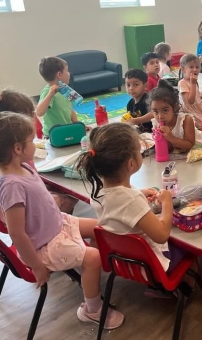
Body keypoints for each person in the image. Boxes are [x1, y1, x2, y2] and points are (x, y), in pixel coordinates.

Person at [0, 112, 124, 330]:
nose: (35, 142)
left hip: (56, 224)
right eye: (31, 140)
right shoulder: (10, 185)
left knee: (102, 226)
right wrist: (36, 265)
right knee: (93, 258)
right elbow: (16, 233)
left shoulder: (22, 166)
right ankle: (92, 310)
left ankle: (87, 265)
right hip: (44, 245)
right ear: (18, 149)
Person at [76, 123, 191, 297]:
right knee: (190, 244)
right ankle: (175, 288)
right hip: (149, 265)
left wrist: (139, 193)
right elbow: (161, 235)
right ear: (131, 164)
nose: (142, 153)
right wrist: (167, 202)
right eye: (139, 150)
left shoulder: (97, 192)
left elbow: (119, 202)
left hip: (121, 260)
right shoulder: (131, 199)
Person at [0, 90, 78, 220]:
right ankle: (58, 226)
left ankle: (60, 225)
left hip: (14, 198)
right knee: (70, 195)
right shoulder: (7, 149)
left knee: (61, 188)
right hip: (21, 207)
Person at [35, 57, 82, 137]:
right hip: (53, 134)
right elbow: (39, 112)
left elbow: (70, 109)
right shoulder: (48, 91)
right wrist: (50, 95)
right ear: (59, 75)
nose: (69, 74)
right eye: (67, 71)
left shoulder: (65, 89)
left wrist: (78, 126)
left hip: (67, 130)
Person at [150, 80, 196, 153]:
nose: (160, 116)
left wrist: (171, 138)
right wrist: (161, 138)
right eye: (156, 112)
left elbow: (190, 146)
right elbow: (169, 149)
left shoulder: (185, 120)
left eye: (165, 111)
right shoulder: (156, 124)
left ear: (174, 107)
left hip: (197, 152)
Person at [177, 54, 202, 129]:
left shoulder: (193, 81)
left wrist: (200, 95)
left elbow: (193, 95)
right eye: (191, 67)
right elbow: (190, 101)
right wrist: (193, 84)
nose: (195, 69)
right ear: (183, 69)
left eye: (197, 67)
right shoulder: (182, 83)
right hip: (191, 114)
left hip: (198, 109)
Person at [124, 69, 154, 133]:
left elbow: (154, 113)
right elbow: (129, 118)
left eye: (136, 84)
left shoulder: (148, 100)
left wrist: (137, 120)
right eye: (128, 85)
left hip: (152, 133)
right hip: (139, 133)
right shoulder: (130, 103)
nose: (131, 88)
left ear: (145, 86)